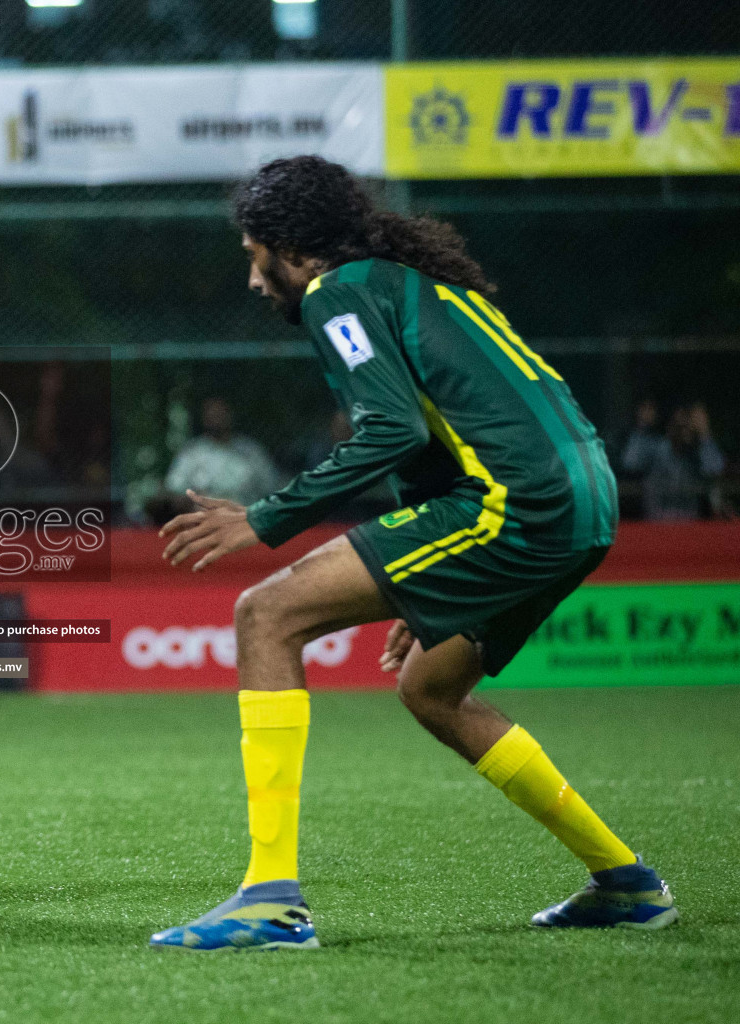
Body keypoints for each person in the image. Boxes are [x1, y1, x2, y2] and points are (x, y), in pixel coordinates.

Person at [150, 156, 673, 952]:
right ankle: (628, 883)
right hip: (584, 496)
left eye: (256, 256)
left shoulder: (338, 290)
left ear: (291, 248)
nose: (255, 280)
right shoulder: (413, 282)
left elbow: (391, 430)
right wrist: (420, 587)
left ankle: (271, 901)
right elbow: (435, 439)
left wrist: (268, 517)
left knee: (265, 614)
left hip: (519, 499)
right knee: (432, 688)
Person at [164, 397, 280, 506]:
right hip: (204, 520)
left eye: (220, 414)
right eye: (212, 415)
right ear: (204, 419)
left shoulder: (251, 451)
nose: (217, 419)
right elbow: (174, 489)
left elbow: (272, 487)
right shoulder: (192, 453)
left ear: (230, 415)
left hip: (245, 519)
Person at [621, 400, 726, 520]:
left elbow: (716, 469)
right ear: (669, 427)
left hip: (690, 525)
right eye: (679, 426)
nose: (683, 432)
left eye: (687, 426)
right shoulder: (655, 448)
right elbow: (630, 463)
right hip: (657, 524)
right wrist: (642, 426)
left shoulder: (698, 452)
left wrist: (704, 434)